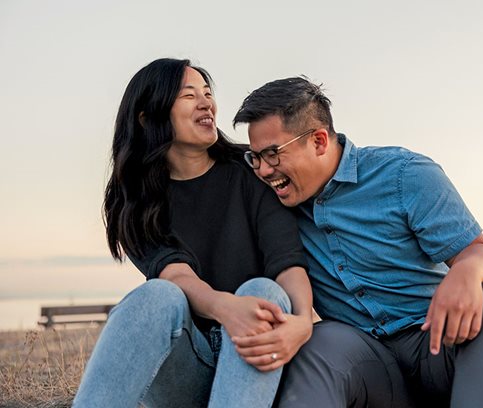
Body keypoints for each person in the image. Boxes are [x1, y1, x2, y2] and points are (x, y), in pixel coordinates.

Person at [232, 77, 483, 408]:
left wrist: (468, 271)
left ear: (318, 141)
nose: (264, 170)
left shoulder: (404, 174)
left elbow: (481, 253)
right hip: (365, 366)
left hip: (440, 346)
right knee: (321, 340)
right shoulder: (275, 205)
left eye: (273, 154)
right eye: (254, 158)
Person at [73, 59, 313, 408]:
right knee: (158, 295)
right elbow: (177, 274)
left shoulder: (252, 169)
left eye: (207, 93)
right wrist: (227, 308)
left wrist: (303, 322)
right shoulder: (135, 199)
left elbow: (286, 259)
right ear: (147, 117)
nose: (206, 103)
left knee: (264, 289)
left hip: (258, 360)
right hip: (187, 367)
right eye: (189, 95)